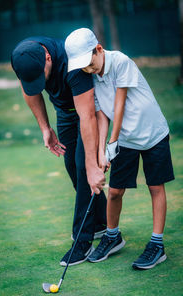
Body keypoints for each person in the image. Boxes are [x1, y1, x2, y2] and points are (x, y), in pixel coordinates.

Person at [65, 28, 175, 270]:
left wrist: (113, 142)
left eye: (89, 62)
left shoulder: (121, 61)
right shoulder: (91, 75)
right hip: (125, 139)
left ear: (99, 49)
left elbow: (119, 103)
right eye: (82, 66)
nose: (87, 69)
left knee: (155, 187)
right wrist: (104, 148)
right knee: (114, 191)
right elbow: (102, 113)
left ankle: (157, 244)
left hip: (152, 133)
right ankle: (112, 236)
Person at [11, 36, 107, 266]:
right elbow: (29, 90)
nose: (37, 82)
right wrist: (45, 127)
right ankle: (103, 224)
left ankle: (82, 242)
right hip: (64, 112)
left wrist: (93, 164)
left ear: (48, 58)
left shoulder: (71, 63)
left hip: (87, 109)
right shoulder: (22, 58)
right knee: (73, 167)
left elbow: (87, 116)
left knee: (85, 168)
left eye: (39, 76)